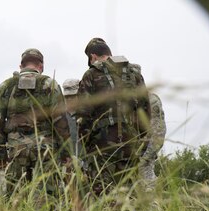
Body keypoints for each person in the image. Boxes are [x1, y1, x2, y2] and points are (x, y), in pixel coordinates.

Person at [0, 48, 70, 197]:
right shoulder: (49, 84)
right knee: (48, 197)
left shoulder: (6, 86)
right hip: (45, 149)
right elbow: (60, 121)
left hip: (16, 149)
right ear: (41, 66)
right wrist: (66, 152)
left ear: (21, 66)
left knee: (16, 196)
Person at [76, 37, 151, 194]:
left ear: (93, 57)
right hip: (131, 144)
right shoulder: (135, 75)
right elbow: (145, 113)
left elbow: (83, 116)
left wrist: (85, 146)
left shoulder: (91, 74)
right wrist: (141, 143)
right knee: (130, 194)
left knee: (103, 194)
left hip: (101, 147)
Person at [138, 92, 166, 190]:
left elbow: (159, 132)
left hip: (143, 160)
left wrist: (144, 160)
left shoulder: (150, 100)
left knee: (148, 194)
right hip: (122, 161)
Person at [62, 78, 80, 157]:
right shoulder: (59, 116)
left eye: (72, 96)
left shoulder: (88, 115)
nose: (69, 99)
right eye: (66, 97)